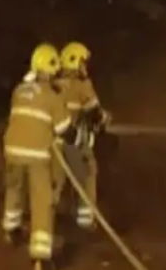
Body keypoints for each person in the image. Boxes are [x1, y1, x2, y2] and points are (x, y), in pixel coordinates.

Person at [2, 43, 76, 270]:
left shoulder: (19, 90)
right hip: (36, 154)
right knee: (42, 201)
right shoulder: (52, 95)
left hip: (12, 150)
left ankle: (11, 229)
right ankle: (41, 257)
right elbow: (64, 129)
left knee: (14, 188)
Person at [54, 41, 110, 231]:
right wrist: (104, 120)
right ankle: (85, 220)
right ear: (74, 62)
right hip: (73, 141)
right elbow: (94, 112)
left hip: (51, 142)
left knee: (53, 182)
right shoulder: (82, 85)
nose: (85, 67)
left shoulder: (54, 84)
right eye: (83, 62)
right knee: (88, 172)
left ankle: (44, 221)